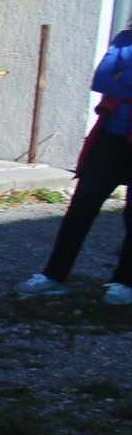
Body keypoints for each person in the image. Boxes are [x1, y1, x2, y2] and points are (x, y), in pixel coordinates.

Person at [16, 18, 132, 305]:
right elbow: (100, 80)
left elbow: (112, 80)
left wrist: (122, 79)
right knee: (81, 209)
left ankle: (124, 282)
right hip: (109, 139)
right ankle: (53, 276)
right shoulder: (124, 39)